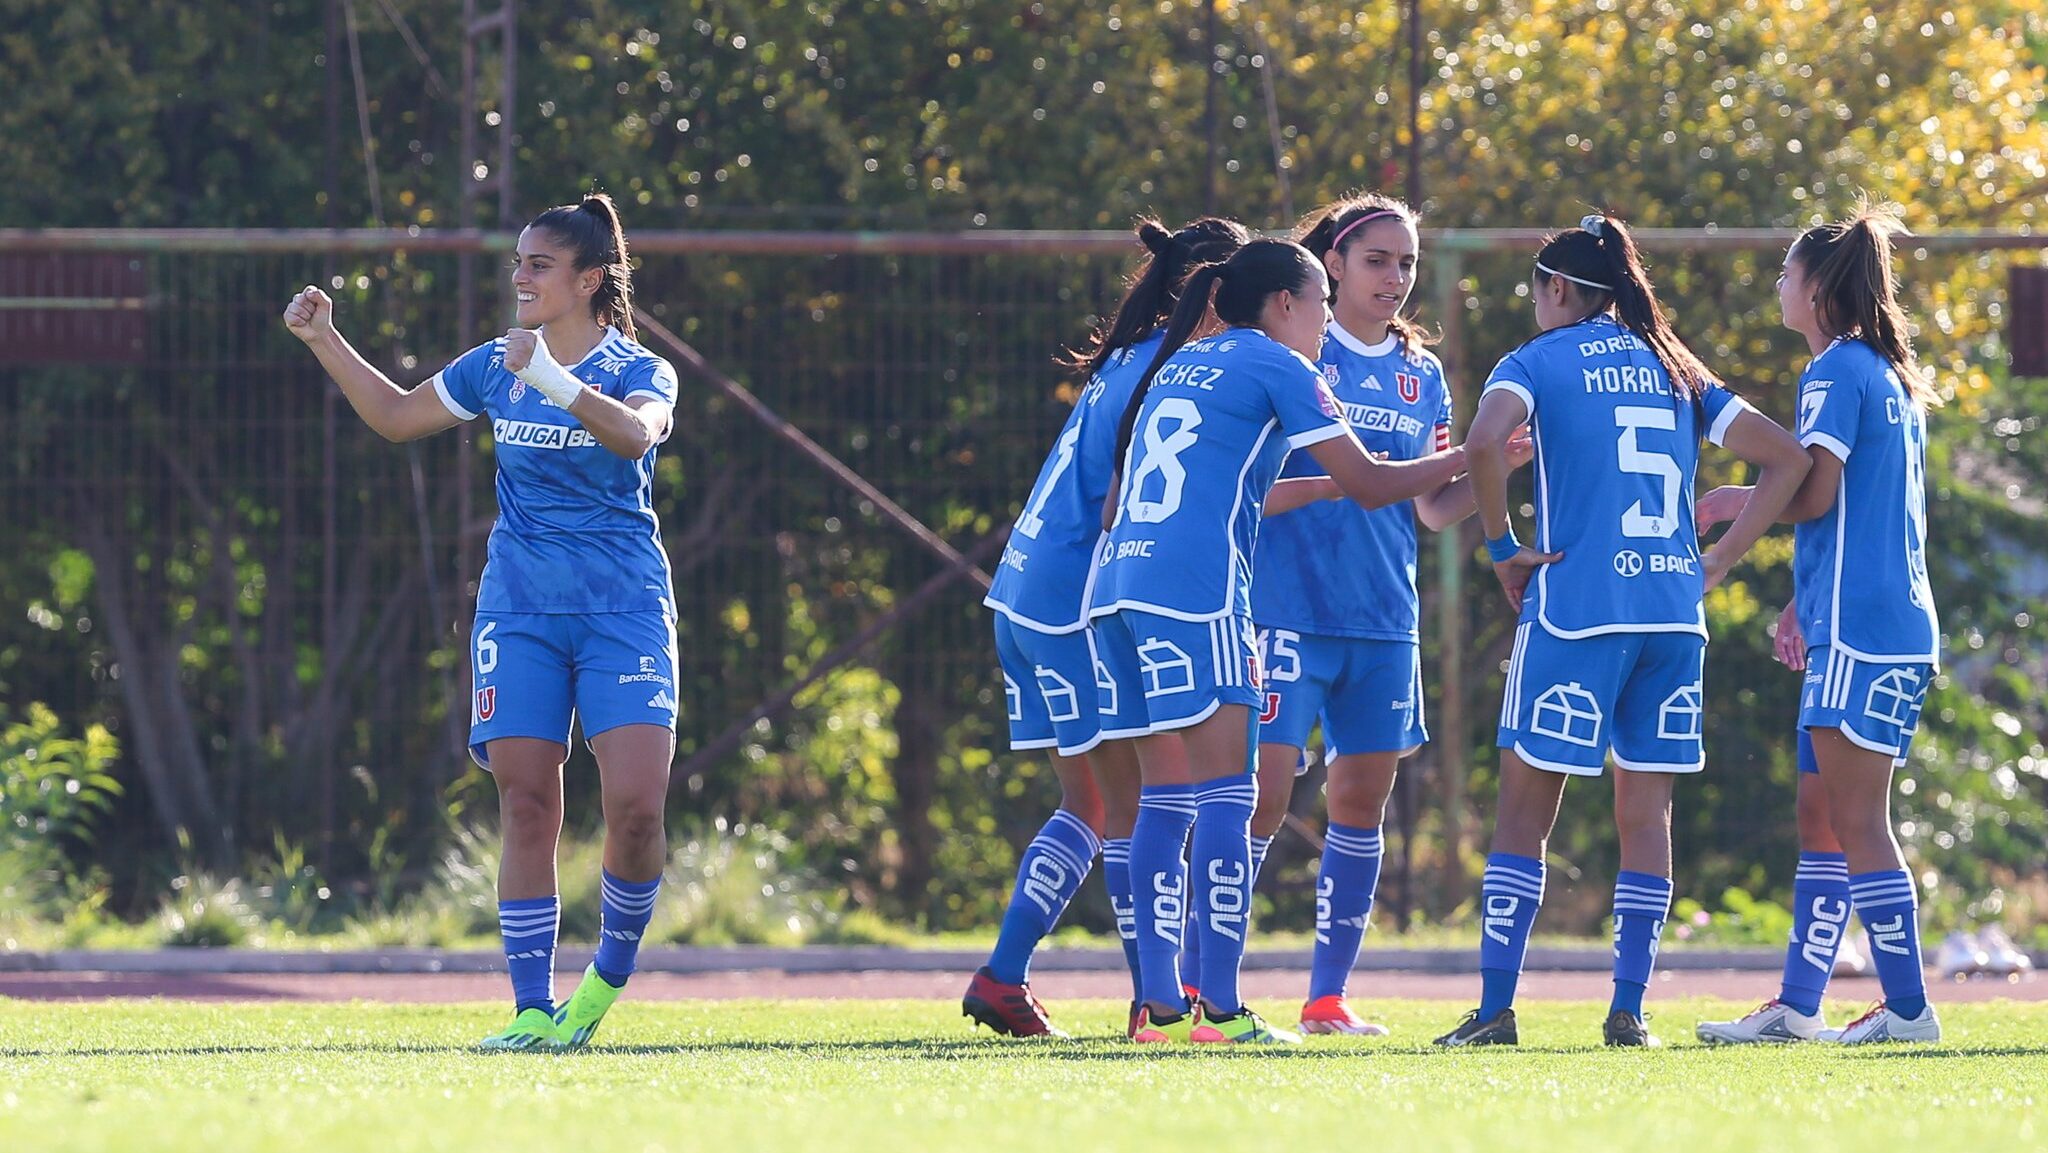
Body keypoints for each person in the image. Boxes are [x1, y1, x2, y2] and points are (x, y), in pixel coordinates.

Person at [283, 193, 680, 1051]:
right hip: (520, 608)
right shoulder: (495, 364)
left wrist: (552, 380)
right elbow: (394, 416)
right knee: (528, 804)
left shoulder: (639, 368)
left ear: (589, 279)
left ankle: (604, 983)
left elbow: (634, 437)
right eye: (518, 262)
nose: (521, 277)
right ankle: (532, 1012)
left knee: (638, 810)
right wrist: (324, 339)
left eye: (540, 264)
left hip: (625, 611)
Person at [1435, 214, 1810, 1048]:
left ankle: (1497, 1008)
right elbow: (1787, 458)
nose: (1534, 304)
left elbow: (1485, 441)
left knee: (1524, 813)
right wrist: (1716, 563)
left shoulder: (1537, 359)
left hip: (1578, 610)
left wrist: (1503, 549)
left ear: (1558, 289)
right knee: (1648, 815)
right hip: (1674, 617)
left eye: (1536, 291)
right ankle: (1628, 1010)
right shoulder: (1677, 363)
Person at [1090, 239, 1468, 1044]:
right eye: (1322, 305)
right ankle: (1220, 1010)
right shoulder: (1280, 364)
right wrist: (1475, 456)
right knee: (1232, 799)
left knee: (1163, 800)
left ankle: (1158, 1004)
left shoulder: (1184, 361)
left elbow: (1149, 487)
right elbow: (1374, 483)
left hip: (1119, 587)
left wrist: (1328, 480)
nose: (1327, 321)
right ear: (1288, 304)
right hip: (1200, 595)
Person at [1187, 194, 1526, 1036]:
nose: (1397, 278)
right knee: (1258, 799)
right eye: (1378, 259)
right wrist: (1464, 456)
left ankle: (1326, 997)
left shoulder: (1421, 373)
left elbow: (1435, 509)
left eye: (1407, 262)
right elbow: (1260, 487)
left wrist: (1498, 471)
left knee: (1360, 801)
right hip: (1282, 610)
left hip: (1382, 616)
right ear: (1331, 264)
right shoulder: (1291, 351)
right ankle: (1198, 988)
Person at [964, 217, 1248, 1037]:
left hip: (1022, 595)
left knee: (1090, 804)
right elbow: (1136, 500)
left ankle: (1005, 975)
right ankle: (1153, 998)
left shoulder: (1130, 356)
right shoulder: (1174, 371)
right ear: (1217, 293)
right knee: (1146, 804)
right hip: (1074, 603)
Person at [1693, 201, 1944, 1044]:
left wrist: (1730, 524)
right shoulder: (1882, 374)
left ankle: (1908, 1008)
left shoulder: (1838, 370)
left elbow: (1815, 489)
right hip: (1866, 622)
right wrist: (1804, 596)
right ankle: (1800, 1004)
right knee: (1820, 813)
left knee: (1859, 818)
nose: (1777, 286)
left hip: (1866, 633)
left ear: (1816, 289)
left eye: (1784, 273)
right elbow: (1862, 513)